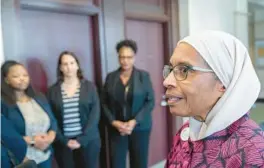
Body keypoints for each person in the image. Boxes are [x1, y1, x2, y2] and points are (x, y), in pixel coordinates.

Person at [163, 30, 264, 167]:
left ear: (222, 82)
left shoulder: (252, 151)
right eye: (171, 70)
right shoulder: (186, 132)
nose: (167, 81)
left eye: (184, 70)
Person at [101, 39, 155, 168]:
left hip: (140, 127)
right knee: (117, 163)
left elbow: (150, 101)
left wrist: (134, 121)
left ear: (134, 57)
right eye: (122, 57)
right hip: (117, 129)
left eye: (129, 57)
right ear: (118, 57)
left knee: (139, 163)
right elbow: (103, 103)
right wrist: (114, 122)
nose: (125, 60)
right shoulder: (111, 77)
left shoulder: (144, 76)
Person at [47, 51, 101, 168]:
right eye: (65, 64)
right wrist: (64, 140)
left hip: (88, 141)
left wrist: (81, 140)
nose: (69, 67)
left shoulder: (90, 87)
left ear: (77, 65)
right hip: (63, 143)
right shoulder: (52, 91)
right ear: (60, 68)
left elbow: (95, 115)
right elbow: (51, 118)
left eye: (72, 63)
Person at [1, 60, 57, 168]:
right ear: (6, 79)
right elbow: (5, 135)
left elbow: (53, 121)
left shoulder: (39, 97)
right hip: (21, 159)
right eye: (16, 76)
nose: (22, 79)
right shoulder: (3, 104)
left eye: (25, 75)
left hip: (45, 154)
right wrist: (33, 141)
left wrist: (49, 138)